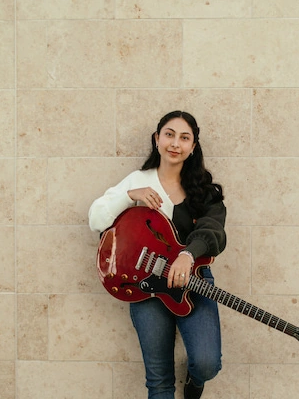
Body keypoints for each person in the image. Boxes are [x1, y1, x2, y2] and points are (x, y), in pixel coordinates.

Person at [88, 110, 227, 399]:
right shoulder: (138, 180)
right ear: (157, 139)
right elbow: (96, 219)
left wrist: (188, 255)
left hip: (195, 281)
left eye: (184, 138)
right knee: (159, 380)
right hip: (144, 289)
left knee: (207, 363)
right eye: (169, 135)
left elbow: (214, 231)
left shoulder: (205, 191)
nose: (175, 143)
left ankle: (195, 378)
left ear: (193, 146)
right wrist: (129, 196)